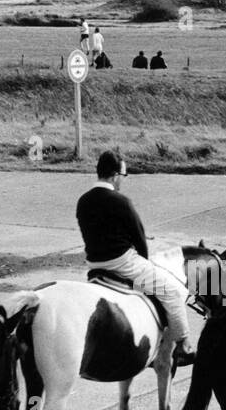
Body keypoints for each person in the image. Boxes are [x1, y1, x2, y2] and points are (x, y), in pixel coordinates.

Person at [76, 151, 195, 366]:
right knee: (174, 291)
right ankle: (184, 345)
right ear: (114, 175)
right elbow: (139, 239)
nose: (123, 179)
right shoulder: (121, 201)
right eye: (124, 175)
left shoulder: (83, 201)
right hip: (124, 262)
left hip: (94, 264)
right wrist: (144, 262)